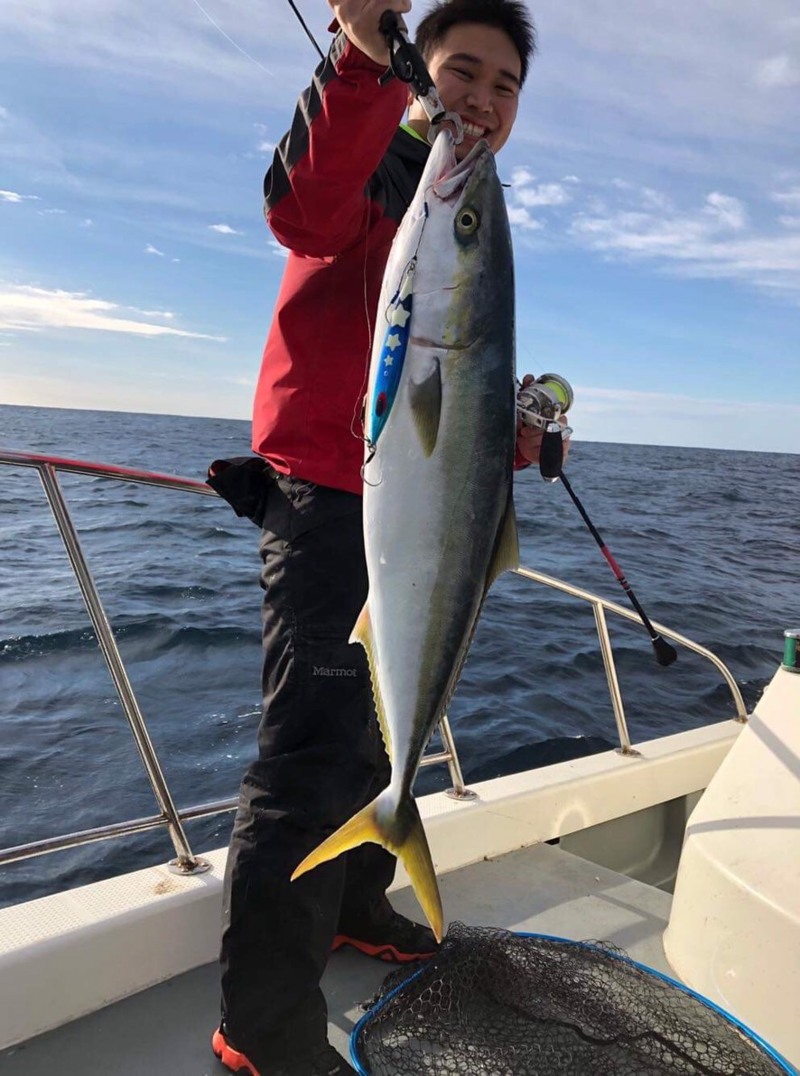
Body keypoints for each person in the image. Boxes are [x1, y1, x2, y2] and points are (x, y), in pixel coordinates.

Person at [210, 2, 538, 1073]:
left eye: (502, 84)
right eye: (459, 71)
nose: (480, 100)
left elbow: (451, 383)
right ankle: (261, 1027)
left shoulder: (462, 200)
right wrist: (360, 54)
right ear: (417, 75)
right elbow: (301, 211)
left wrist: (516, 436)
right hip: (324, 504)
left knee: (368, 739)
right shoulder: (380, 173)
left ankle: (357, 893)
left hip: (412, 510)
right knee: (308, 760)